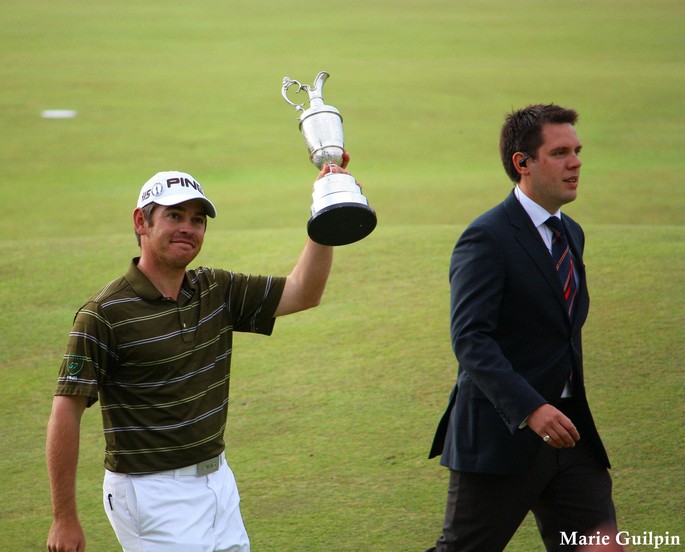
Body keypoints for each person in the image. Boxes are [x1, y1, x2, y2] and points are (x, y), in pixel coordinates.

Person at [46, 159, 354, 552]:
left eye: (197, 219)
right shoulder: (103, 313)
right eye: (175, 216)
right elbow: (65, 412)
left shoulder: (215, 288)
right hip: (149, 493)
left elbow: (303, 292)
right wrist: (64, 518)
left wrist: (325, 214)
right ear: (142, 222)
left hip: (217, 481)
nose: (188, 228)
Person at [426, 104, 620, 551]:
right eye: (559, 153)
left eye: (577, 150)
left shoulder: (571, 231)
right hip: (502, 438)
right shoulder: (487, 237)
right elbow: (471, 339)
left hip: (570, 435)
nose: (576, 162)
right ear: (523, 163)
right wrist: (531, 408)